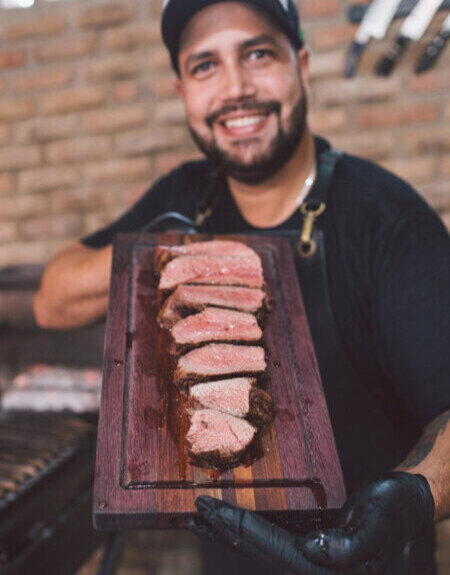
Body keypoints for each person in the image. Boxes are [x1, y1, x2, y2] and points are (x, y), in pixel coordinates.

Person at [34, 0, 449, 573]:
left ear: (301, 63)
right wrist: (153, 249)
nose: (235, 88)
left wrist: (412, 499)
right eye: (205, 66)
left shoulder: (383, 219)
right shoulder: (187, 196)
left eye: (257, 53)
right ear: (182, 91)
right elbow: (51, 302)